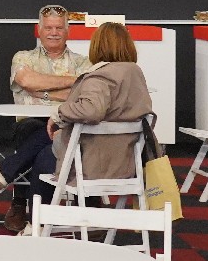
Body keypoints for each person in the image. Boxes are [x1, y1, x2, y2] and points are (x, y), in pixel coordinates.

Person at [0, 4, 87, 233]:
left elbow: (85, 92)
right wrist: (72, 81)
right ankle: (36, 215)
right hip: (30, 123)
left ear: (68, 31)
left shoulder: (82, 62)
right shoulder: (23, 57)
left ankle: (14, 190)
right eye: (48, 28)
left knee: (50, 143)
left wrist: (44, 92)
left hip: (67, 122)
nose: (53, 33)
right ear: (39, 30)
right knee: (39, 136)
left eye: (59, 28)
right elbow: (27, 81)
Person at [49, 22, 154, 204]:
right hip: (128, 162)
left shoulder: (99, 76)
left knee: (42, 149)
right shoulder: (135, 73)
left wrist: (59, 112)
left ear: (97, 46)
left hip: (94, 163)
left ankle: (36, 210)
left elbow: (91, 111)